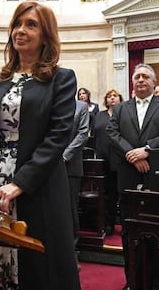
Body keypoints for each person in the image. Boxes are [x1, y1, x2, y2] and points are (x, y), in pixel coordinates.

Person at [0, 1, 81, 290]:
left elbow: (58, 136)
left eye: (31, 25)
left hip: (38, 183)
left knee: (40, 268)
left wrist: (19, 183)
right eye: (17, 24)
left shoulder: (61, 78)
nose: (20, 31)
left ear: (46, 35)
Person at [107, 63, 159, 290]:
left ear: (153, 81)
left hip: (158, 176)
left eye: (145, 77)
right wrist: (133, 155)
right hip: (128, 176)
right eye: (136, 76)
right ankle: (134, 281)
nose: (140, 80)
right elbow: (112, 133)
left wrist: (147, 150)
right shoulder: (121, 108)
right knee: (130, 232)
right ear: (132, 82)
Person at [92, 88, 123, 236]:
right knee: (107, 195)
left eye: (115, 96)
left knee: (122, 194)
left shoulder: (125, 114)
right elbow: (94, 135)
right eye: (109, 96)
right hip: (102, 160)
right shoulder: (99, 116)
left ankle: (125, 224)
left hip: (121, 161)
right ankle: (108, 224)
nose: (112, 98)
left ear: (120, 99)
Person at [63, 99, 89, 270]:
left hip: (69, 165)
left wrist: (64, 155)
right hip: (46, 165)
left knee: (70, 209)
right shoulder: (51, 102)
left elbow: (83, 134)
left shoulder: (81, 107)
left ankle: (71, 254)